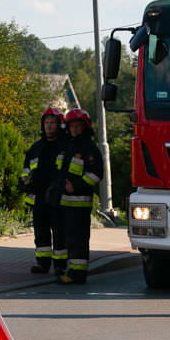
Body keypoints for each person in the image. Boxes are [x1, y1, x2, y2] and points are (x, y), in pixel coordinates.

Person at [52, 108, 103, 285]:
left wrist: (75, 186)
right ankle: (71, 270)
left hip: (80, 204)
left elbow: (96, 175)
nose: (74, 129)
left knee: (78, 240)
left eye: (78, 126)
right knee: (68, 239)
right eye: (72, 126)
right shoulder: (68, 147)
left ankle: (78, 273)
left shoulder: (89, 148)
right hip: (65, 203)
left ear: (85, 127)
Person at [20, 107, 68, 275]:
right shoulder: (36, 147)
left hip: (58, 197)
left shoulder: (65, 146)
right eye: (46, 122)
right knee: (41, 232)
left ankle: (60, 265)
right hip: (39, 196)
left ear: (59, 124)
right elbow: (26, 170)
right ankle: (42, 264)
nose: (48, 126)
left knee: (60, 232)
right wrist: (25, 183)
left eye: (52, 122)